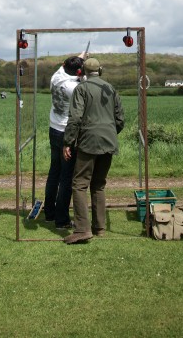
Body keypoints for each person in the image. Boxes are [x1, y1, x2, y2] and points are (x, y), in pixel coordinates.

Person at [62, 57, 125, 244]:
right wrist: (110, 133)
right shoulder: (111, 89)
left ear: (83, 72)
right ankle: (99, 228)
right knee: (98, 185)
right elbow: (120, 119)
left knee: (79, 184)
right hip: (109, 141)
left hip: (89, 142)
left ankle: (82, 229)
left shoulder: (81, 89)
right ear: (100, 70)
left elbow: (75, 118)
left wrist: (68, 142)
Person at [44, 52, 87, 228]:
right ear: (78, 72)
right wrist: (84, 73)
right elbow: (86, 87)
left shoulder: (56, 76)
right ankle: (61, 220)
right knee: (66, 177)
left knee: (54, 172)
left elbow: (66, 65)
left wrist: (80, 57)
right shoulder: (75, 88)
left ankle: (49, 213)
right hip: (66, 133)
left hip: (53, 128)